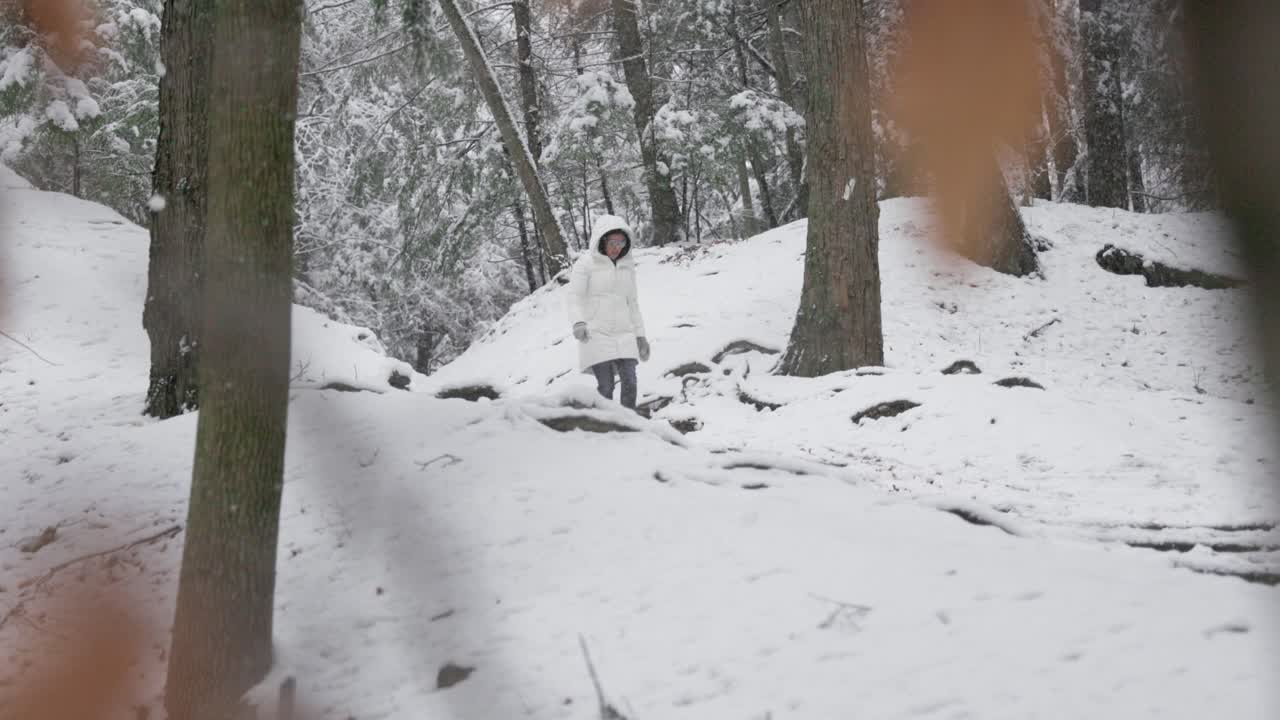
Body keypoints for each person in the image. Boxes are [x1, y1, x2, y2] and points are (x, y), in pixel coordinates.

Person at [567, 214, 651, 409]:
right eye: (613, 242)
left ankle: (629, 426)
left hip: (625, 334)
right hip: (597, 333)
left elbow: (633, 304)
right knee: (606, 387)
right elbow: (574, 297)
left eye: (622, 243)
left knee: (630, 383)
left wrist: (640, 336)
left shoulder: (627, 267)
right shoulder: (586, 263)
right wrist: (578, 322)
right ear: (602, 240)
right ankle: (603, 428)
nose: (617, 247)